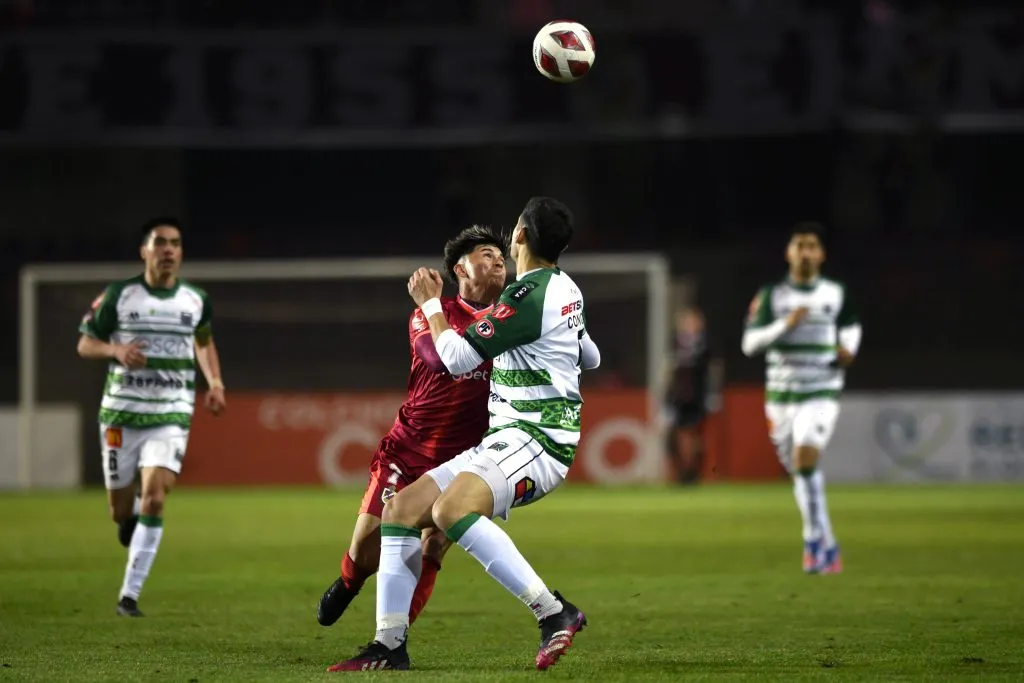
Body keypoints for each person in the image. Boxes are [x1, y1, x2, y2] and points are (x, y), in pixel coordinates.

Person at [327, 197, 601, 673]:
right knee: (401, 510)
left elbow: (452, 359)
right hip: (508, 437)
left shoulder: (527, 296)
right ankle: (389, 645)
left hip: (537, 440)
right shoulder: (560, 288)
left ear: (519, 235)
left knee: (449, 511)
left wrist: (430, 303)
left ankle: (554, 612)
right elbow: (591, 356)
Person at [316, 225, 508, 627]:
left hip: (465, 459)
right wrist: (432, 305)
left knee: (433, 544)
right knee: (366, 553)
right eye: (486, 254)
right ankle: (350, 581)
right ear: (460, 268)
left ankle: (393, 637)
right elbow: (439, 360)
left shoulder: (511, 321)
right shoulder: (430, 313)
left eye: (501, 257)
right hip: (409, 450)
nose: (497, 261)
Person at [77, 218, 227, 616]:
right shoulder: (120, 295)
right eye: (160, 242)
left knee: (156, 497)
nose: (168, 250)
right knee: (120, 511)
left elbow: (204, 344)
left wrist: (215, 382)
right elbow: (85, 343)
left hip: (171, 412)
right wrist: (114, 351)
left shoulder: (195, 300)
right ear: (144, 250)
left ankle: (129, 596)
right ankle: (130, 522)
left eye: (175, 243)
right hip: (121, 414)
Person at [741, 221, 862, 574]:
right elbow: (749, 345)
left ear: (821, 254)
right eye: (800, 245)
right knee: (800, 472)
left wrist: (848, 348)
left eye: (812, 246)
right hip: (781, 396)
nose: (806, 252)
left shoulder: (835, 293)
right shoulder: (772, 296)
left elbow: (852, 325)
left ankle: (812, 542)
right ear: (789, 253)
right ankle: (829, 543)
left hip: (821, 390)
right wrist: (785, 325)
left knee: (805, 459)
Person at [663, 305, 718, 484]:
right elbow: (668, 372)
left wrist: (713, 394)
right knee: (676, 435)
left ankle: (693, 471)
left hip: (697, 395)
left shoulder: (706, 344)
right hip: (678, 396)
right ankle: (682, 471)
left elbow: (713, 370)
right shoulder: (674, 343)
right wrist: (665, 397)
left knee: (694, 434)